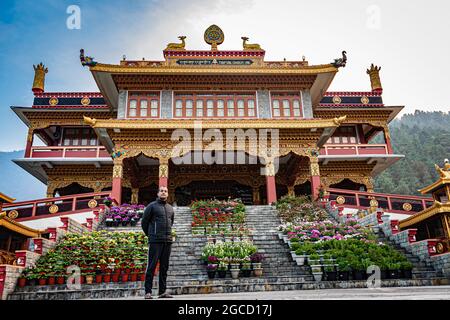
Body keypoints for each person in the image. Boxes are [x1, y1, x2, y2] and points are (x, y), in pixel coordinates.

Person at [141, 186, 174, 299]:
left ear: (168, 194)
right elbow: (144, 222)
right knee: (151, 266)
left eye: (165, 191)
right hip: (155, 241)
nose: (163, 193)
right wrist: (151, 235)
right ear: (158, 193)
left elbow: (171, 222)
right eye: (161, 191)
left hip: (167, 241)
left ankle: (162, 292)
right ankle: (148, 292)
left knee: (164, 267)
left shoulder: (170, 208)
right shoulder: (152, 206)